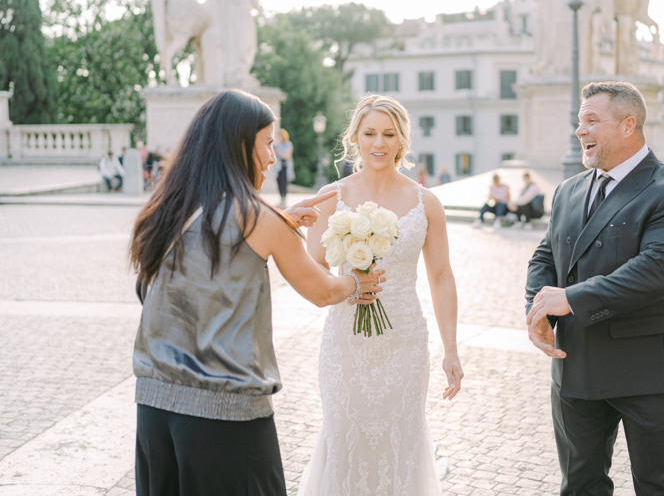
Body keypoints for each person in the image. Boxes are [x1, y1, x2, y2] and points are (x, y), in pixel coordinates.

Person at [129, 89, 385, 496]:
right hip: (224, 416)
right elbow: (320, 290)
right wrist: (358, 282)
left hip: (154, 411)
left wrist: (280, 220)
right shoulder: (255, 215)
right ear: (238, 144)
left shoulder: (172, 206)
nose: (272, 156)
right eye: (267, 143)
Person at [525, 81, 664, 496]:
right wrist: (536, 310)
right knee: (580, 485)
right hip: (576, 368)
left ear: (629, 125)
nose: (580, 131)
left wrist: (570, 299)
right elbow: (543, 258)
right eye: (578, 122)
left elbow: (656, 271)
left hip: (646, 369)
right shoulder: (568, 190)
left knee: (660, 487)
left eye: (592, 121)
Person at [298, 94, 464, 495]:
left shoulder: (427, 203)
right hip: (345, 342)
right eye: (370, 132)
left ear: (402, 140)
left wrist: (451, 349)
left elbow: (441, 277)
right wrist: (344, 285)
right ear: (355, 136)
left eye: (389, 134)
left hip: (404, 342)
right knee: (343, 434)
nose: (379, 142)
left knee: (402, 439)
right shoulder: (330, 196)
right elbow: (313, 266)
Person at [274, 128, 294, 207]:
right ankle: (281, 199)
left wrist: (277, 152)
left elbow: (287, 156)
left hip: (285, 166)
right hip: (278, 167)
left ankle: (284, 199)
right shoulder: (277, 145)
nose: (279, 138)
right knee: (279, 182)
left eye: (280, 136)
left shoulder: (288, 144)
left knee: (284, 182)